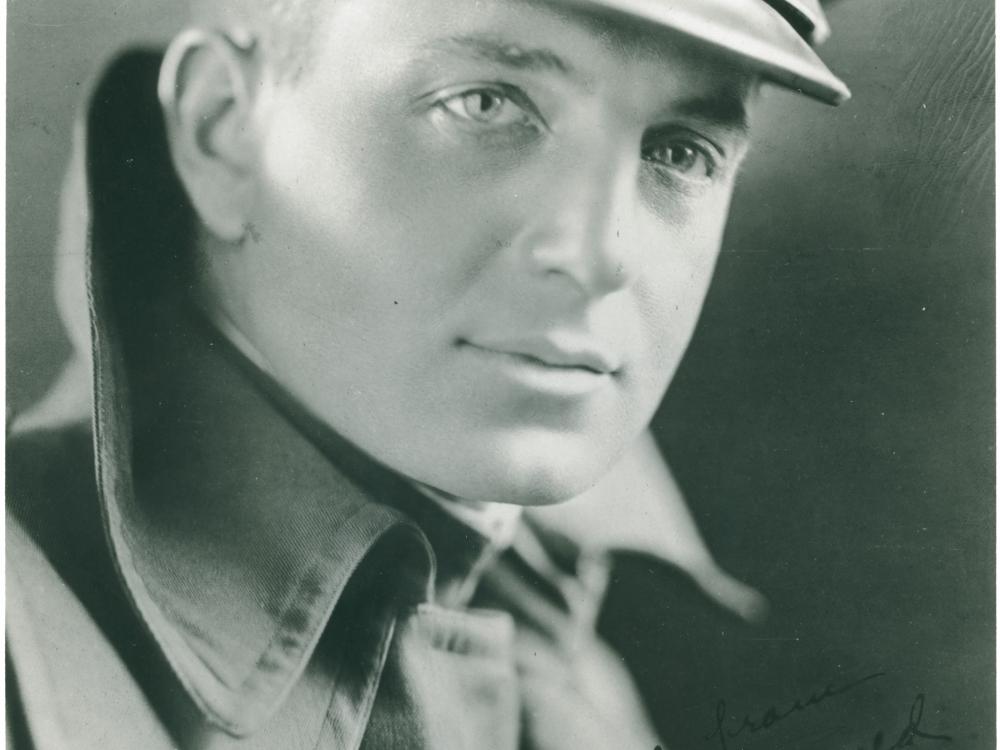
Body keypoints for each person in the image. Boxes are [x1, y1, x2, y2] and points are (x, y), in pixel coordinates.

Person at [6, 0, 848, 747]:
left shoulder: (569, 653)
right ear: (223, 129)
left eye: (682, 151)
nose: (598, 253)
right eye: (486, 104)